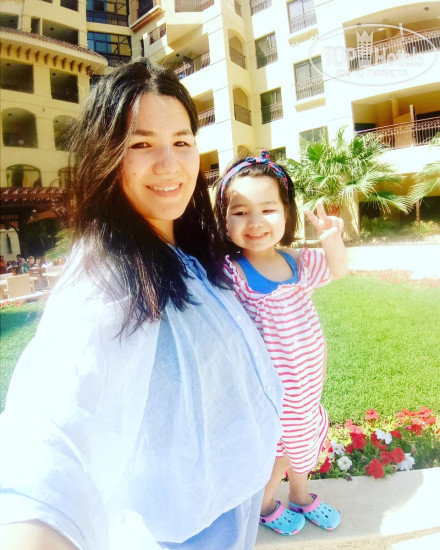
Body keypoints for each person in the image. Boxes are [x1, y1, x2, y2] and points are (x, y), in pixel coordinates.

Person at [0, 60, 284, 550]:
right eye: (141, 144)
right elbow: (49, 430)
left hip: (229, 512)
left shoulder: (187, 249)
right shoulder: (107, 276)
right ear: (106, 155)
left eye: (182, 142)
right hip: (180, 535)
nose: (170, 164)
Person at [213, 151, 348, 536]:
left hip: (307, 383)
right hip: (269, 391)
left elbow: (339, 269)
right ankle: (264, 504)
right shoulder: (232, 271)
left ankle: (301, 496)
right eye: (240, 212)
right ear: (224, 219)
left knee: (304, 442)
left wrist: (331, 240)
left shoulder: (298, 262)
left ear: (286, 213)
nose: (255, 222)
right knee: (279, 452)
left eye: (268, 209)